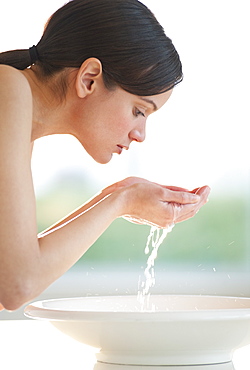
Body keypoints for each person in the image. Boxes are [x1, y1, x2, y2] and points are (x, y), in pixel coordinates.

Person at [0, 0, 210, 311]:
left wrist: (117, 196)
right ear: (89, 78)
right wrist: (121, 201)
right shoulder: (8, 88)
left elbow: (10, 271)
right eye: (139, 111)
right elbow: (17, 286)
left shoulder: (19, 113)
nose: (141, 134)